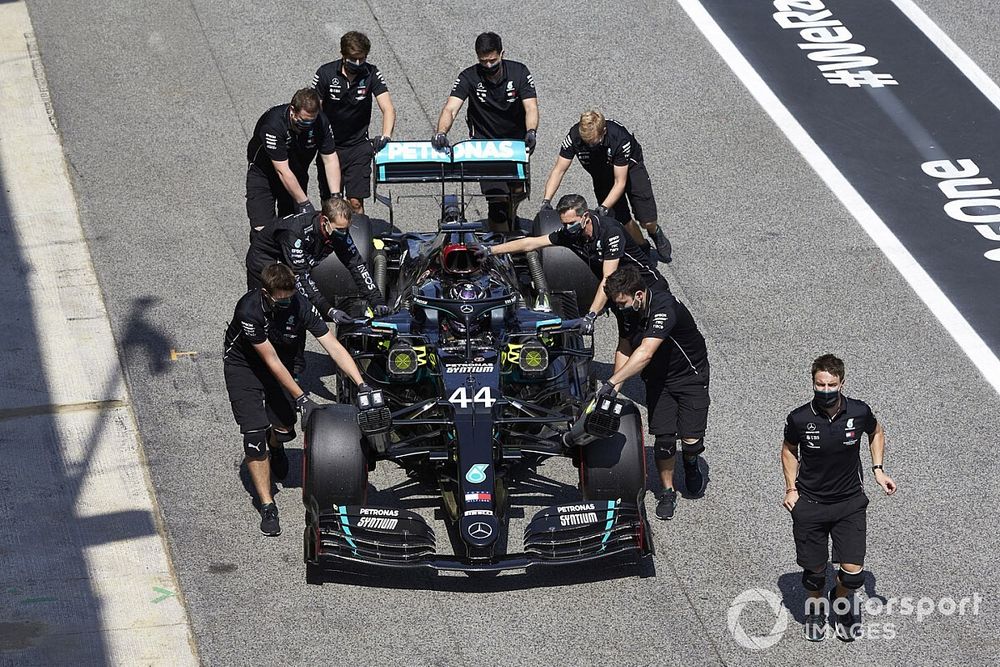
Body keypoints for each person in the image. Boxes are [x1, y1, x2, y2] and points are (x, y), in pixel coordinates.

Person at [223, 263, 368, 536]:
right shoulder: (249, 310)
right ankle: (267, 505)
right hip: (245, 367)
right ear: (266, 294)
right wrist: (302, 398)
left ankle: (275, 445)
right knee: (253, 435)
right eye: (281, 299)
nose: (287, 302)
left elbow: (332, 346)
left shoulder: (300, 305)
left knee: (285, 429)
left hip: (284, 364)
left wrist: (362, 384)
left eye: (290, 297)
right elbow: (270, 360)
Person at [781, 354, 897, 642]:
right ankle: (816, 609)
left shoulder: (858, 412)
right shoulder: (799, 418)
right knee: (815, 572)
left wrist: (878, 470)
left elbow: (876, 431)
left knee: (853, 574)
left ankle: (841, 602)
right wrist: (790, 489)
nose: (825, 390)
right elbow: (788, 450)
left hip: (849, 503)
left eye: (831, 384)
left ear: (842, 383)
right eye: (820, 385)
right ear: (813, 383)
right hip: (810, 503)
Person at [600, 265, 710, 521]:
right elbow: (625, 346)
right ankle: (667, 491)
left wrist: (612, 380)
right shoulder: (625, 308)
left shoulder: (664, 308)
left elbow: (645, 352)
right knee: (664, 440)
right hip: (658, 379)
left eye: (623, 303)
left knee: (692, 440)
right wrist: (613, 387)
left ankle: (691, 463)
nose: (620, 308)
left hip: (689, 376)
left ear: (639, 295)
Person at [480, 194, 667, 330]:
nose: (567, 229)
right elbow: (531, 243)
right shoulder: (570, 234)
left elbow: (608, 277)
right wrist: (489, 250)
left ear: (585, 217)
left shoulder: (610, 232)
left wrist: (591, 315)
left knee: (653, 340)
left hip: (647, 288)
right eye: (564, 224)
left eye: (572, 223)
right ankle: (614, 386)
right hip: (619, 292)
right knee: (626, 340)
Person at [432, 32, 538, 227]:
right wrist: (441, 132)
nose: (489, 66)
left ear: (502, 54)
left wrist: (531, 131)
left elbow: (531, 107)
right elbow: (451, 108)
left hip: (514, 145)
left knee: (516, 194)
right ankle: (499, 245)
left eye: (493, 60)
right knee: (497, 205)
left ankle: (511, 222)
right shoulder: (469, 76)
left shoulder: (520, 72)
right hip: (484, 146)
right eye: (484, 61)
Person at [541, 110, 671, 262]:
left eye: (593, 142)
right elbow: (559, 170)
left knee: (646, 220)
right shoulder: (574, 136)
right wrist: (546, 201)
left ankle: (654, 231)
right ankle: (642, 247)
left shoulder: (619, 137)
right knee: (622, 219)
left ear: (603, 131)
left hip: (629, 169)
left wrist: (604, 206)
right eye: (586, 141)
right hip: (601, 173)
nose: (589, 145)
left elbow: (620, 182)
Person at [245, 197, 388, 322]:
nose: (344, 234)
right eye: (340, 229)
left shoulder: (338, 231)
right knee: (267, 307)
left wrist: (377, 301)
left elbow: (357, 265)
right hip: (264, 258)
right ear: (325, 220)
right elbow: (301, 277)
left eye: (347, 229)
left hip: (293, 259)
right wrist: (329, 310)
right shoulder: (295, 233)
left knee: (296, 314)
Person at [310, 31, 396, 214]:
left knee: (355, 202)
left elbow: (387, 107)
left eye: (362, 59)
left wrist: (386, 135)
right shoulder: (325, 73)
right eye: (353, 59)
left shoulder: (371, 72)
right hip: (330, 148)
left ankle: (359, 241)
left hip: (358, 146)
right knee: (332, 205)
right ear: (343, 55)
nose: (357, 64)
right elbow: (313, 109)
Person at [245, 89, 340, 236]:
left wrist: (335, 196)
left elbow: (330, 159)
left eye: (311, 121)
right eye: (303, 121)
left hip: (297, 173)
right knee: (262, 231)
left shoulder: (320, 121)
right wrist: (304, 203)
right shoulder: (273, 124)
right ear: (292, 111)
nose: (308, 125)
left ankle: (287, 257)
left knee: (293, 229)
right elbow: (282, 171)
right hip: (265, 176)